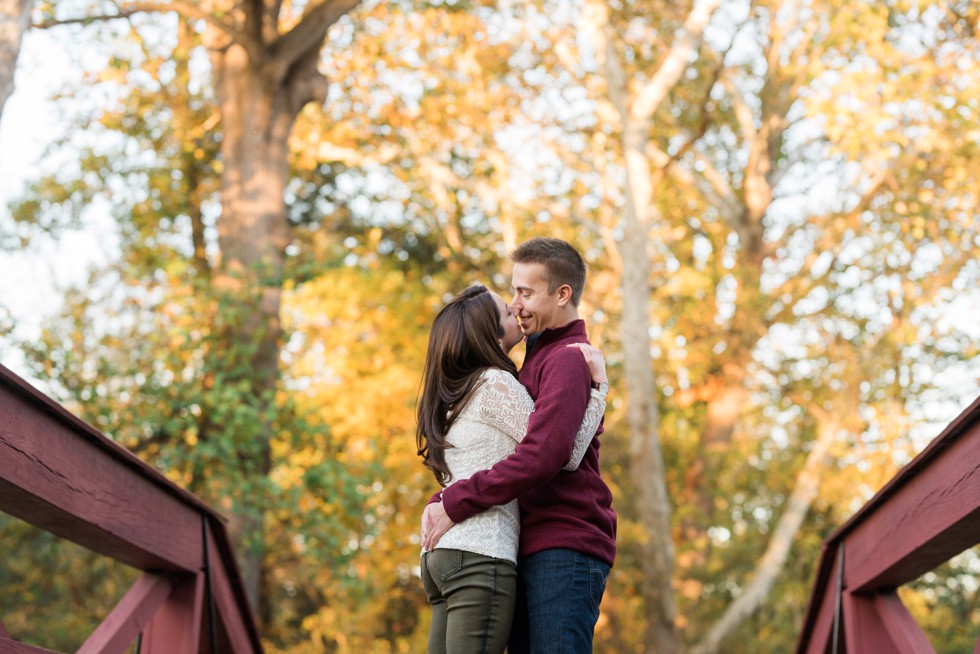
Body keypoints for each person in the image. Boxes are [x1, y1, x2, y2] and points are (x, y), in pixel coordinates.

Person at [421, 237, 617, 653]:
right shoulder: (532, 361)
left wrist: (455, 501)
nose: (516, 304)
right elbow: (496, 450)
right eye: (513, 292)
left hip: (564, 544)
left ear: (562, 294)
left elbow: (546, 454)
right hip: (528, 544)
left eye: (525, 292)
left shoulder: (567, 357)